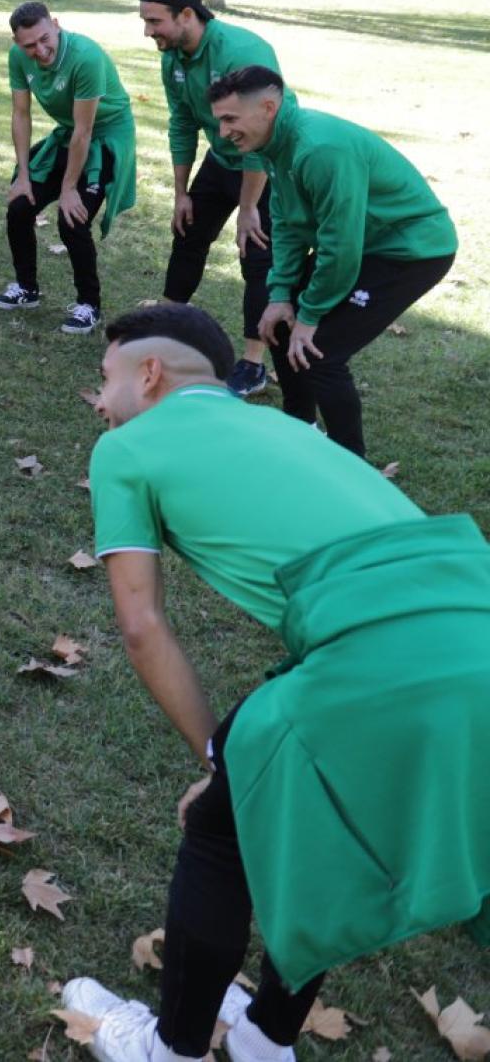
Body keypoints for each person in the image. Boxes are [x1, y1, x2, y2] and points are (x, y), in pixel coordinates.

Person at [61, 303, 490, 1062]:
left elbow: (140, 624)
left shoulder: (125, 449)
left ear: (150, 374)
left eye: (105, 380)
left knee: (220, 831)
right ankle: (264, 1037)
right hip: (471, 617)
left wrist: (217, 757)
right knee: (305, 816)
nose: (98, 403)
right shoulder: (291, 429)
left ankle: (174, 1050)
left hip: (380, 650)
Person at [207, 66, 455, 457]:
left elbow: (341, 245)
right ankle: (299, 429)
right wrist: (281, 294)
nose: (223, 132)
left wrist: (310, 315)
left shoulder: (319, 149)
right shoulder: (272, 144)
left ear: (268, 107)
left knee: (321, 351)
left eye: (230, 119)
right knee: (277, 325)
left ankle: (350, 467)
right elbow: (286, 221)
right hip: (360, 241)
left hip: (410, 249)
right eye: (219, 121)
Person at [138, 0, 290, 395]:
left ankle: (253, 364)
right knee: (187, 235)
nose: (148, 32)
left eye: (154, 22)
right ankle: (165, 336)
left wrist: (248, 208)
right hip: (221, 159)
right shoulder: (173, 57)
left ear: (187, 15)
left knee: (256, 258)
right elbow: (182, 122)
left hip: (267, 166)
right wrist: (181, 194)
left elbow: (263, 135)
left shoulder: (241, 52)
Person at [0, 2, 137, 334]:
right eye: (29, 45)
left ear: (55, 24)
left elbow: (86, 131)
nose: (40, 50)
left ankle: (89, 305)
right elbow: (20, 115)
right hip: (71, 134)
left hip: (107, 135)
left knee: (72, 218)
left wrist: (69, 190)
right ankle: (26, 289)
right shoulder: (18, 58)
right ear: (17, 44)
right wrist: (23, 175)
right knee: (19, 206)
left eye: (44, 39)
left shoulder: (85, 56)